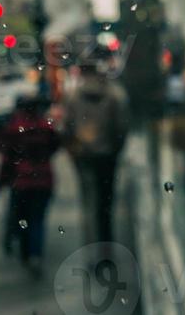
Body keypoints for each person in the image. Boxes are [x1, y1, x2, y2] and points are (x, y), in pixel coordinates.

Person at [61, 61, 129, 245]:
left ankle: (91, 243)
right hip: (107, 155)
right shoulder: (113, 94)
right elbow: (121, 126)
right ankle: (106, 244)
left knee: (88, 201)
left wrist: (74, 151)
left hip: (84, 156)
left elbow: (67, 127)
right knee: (106, 203)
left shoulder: (74, 96)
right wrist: (115, 149)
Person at [0, 94, 60, 278]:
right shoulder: (45, 128)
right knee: (38, 219)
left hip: (21, 182)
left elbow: (6, 159)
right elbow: (55, 146)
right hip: (44, 180)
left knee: (22, 217)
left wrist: (0, 182)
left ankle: (25, 253)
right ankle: (36, 254)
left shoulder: (14, 130)